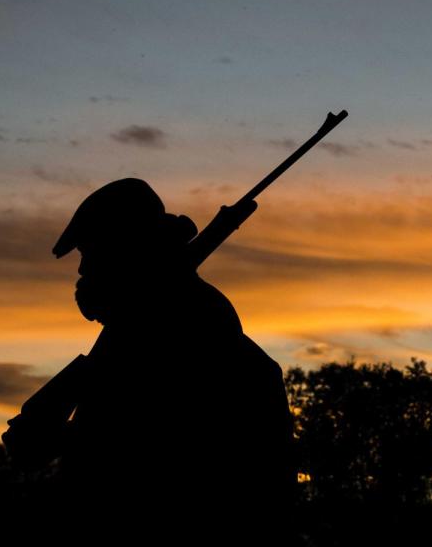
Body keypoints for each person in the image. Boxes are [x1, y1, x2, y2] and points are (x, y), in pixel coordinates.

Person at [51, 178, 296, 544]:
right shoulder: (132, 331)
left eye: (93, 253)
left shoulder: (189, 323)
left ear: (129, 251)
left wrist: (66, 442)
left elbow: (162, 451)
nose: (83, 270)